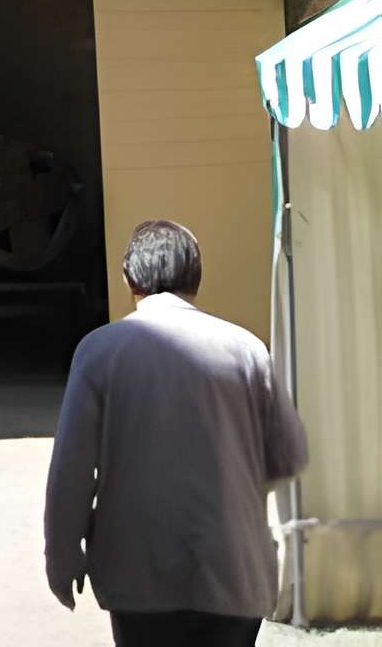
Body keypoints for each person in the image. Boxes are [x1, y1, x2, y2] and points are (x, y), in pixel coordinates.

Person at [44, 217, 308, 645]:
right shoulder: (246, 349)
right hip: (234, 574)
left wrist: (62, 556)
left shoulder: (100, 351)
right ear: (196, 276)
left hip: (140, 576)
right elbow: (289, 454)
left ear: (129, 278)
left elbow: (70, 471)